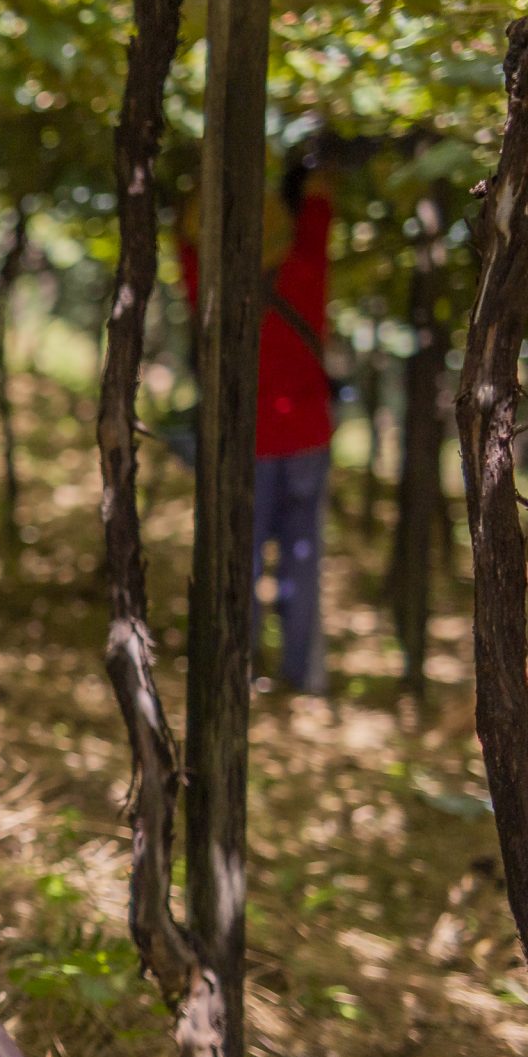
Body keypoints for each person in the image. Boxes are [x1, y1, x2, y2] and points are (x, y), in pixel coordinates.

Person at [177, 153, 336, 695]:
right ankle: (303, 676)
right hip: (309, 437)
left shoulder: (217, 290)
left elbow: (188, 234)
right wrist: (308, 177)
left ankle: (235, 669)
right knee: (303, 557)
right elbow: (320, 208)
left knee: (238, 556)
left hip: (247, 441)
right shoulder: (307, 269)